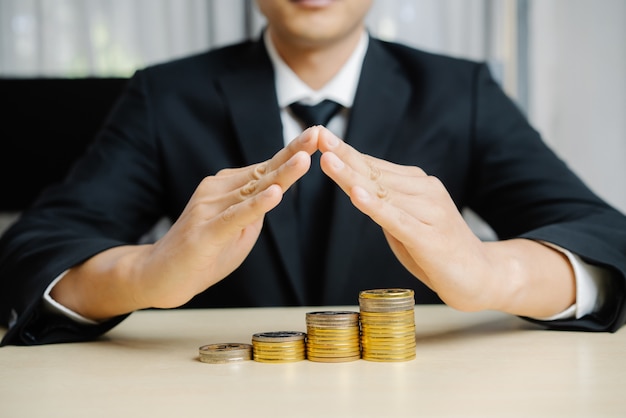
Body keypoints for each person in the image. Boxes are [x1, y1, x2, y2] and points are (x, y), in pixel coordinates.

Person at [1, 0, 625, 346]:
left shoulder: (461, 91)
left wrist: (492, 274)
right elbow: (33, 248)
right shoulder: (165, 96)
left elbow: (605, 235)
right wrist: (146, 272)